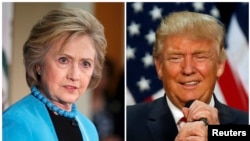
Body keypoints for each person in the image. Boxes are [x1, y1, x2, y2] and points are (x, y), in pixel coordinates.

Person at [127, 11, 248, 141]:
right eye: (175, 58)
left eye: (200, 57)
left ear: (219, 65)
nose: (188, 69)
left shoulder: (245, 125)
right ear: (159, 66)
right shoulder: (128, 122)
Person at [3, 8, 107, 141]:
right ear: (38, 64)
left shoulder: (89, 128)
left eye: (85, 64)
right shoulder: (17, 123)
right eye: (63, 60)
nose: (74, 76)